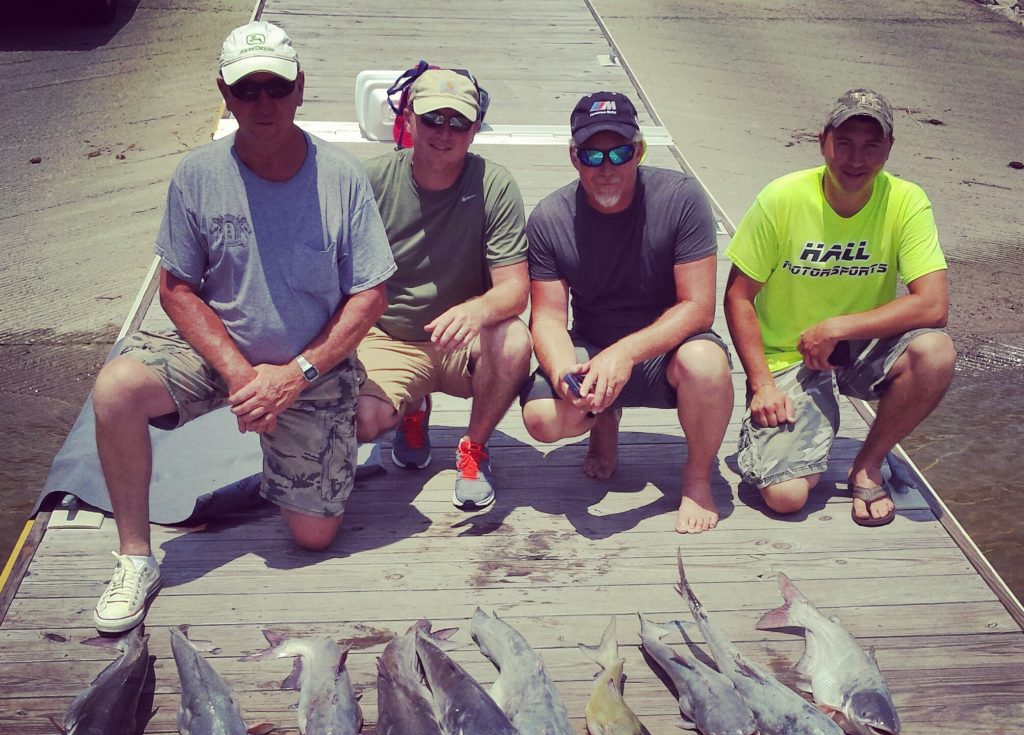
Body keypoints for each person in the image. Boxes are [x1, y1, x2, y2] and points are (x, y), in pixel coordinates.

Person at [89, 20, 396, 633]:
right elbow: (175, 288)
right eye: (246, 89)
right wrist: (238, 373)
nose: (262, 102)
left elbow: (371, 293)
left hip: (310, 366)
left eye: (275, 87)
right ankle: (134, 558)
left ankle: (340, 428)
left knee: (313, 539)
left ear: (300, 89)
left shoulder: (342, 178)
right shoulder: (196, 175)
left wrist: (294, 374)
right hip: (220, 354)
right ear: (224, 95)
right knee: (115, 388)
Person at [724, 88, 955, 526]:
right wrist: (761, 385)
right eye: (844, 142)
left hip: (859, 349)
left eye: (872, 145)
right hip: (789, 353)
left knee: (936, 351)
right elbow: (738, 296)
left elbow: (934, 305)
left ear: (889, 148)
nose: (856, 158)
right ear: (823, 141)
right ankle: (797, 430)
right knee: (787, 497)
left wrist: (838, 327)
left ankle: (868, 462)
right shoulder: (782, 197)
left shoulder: (906, 200)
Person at [521, 92, 733, 534]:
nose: (607, 166)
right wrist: (565, 376)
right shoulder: (548, 217)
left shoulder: (681, 198)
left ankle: (696, 478)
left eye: (619, 152)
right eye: (592, 154)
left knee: (708, 364)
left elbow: (698, 308)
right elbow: (547, 319)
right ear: (574, 157)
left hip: (666, 350)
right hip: (592, 347)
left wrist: (625, 354)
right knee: (542, 419)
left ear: (638, 150)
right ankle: (603, 420)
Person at [355, 68, 532, 510]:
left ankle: (474, 448)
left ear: (474, 130)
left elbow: (514, 290)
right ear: (408, 119)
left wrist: (475, 312)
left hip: (461, 339)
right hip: (390, 336)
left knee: (513, 338)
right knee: (362, 422)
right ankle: (411, 410)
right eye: (433, 119)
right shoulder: (370, 181)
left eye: (459, 122)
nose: (444, 132)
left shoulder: (494, 184)